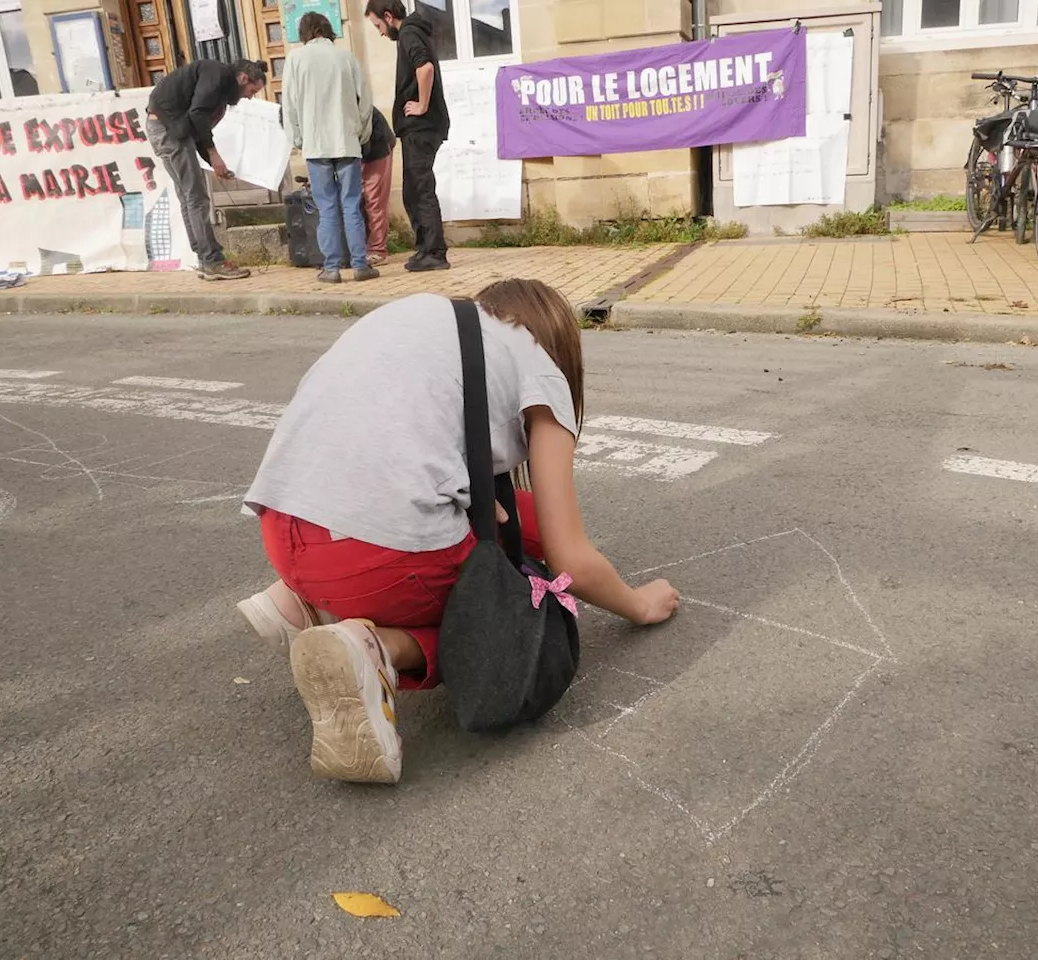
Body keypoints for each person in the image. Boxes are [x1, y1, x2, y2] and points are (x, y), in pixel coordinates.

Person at [236, 279, 681, 784]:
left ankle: (301, 604)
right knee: (497, 608)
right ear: (560, 347)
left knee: (512, 524)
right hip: (375, 558)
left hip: (285, 533)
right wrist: (639, 604)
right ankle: (377, 649)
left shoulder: (426, 319)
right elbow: (569, 559)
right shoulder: (542, 371)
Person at [146, 58, 266, 281]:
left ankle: (204, 259)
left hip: (165, 129)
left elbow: (196, 126)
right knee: (197, 198)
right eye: (252, 90)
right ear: (243, 78)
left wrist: (214, 162)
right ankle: (212, 261)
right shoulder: (217, 74)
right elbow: (198, 115)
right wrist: (213, 153)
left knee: (188, 197)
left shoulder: (217, 83)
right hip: (169, 131)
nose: (249, 96)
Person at [281, 12, 378, 283]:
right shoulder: (346, 57)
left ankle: (332, 267)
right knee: (351, 205)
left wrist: (298, 138)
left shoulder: (295, 59)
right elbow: (365, 99)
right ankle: (360, 264)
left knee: (327, 207)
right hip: (347, 140)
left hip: (315, 143)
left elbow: (289, 105)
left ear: (304, 32)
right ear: (327, 30)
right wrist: (361, 131)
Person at [364, 0, 451, 272]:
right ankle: (426, 249)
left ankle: (434, 253)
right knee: (413, 191)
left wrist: (422, 105)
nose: (380, 32)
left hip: (421, 127)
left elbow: (425, 68)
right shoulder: (411, 33)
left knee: (419, 189)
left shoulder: (410, 33)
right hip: (421, 127)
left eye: (378, 25)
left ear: (388, 16)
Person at [361, 106, 396, 266]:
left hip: (377, 145)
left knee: (373, 198)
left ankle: (378, 250)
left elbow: (365, 130)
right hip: (354, 150)